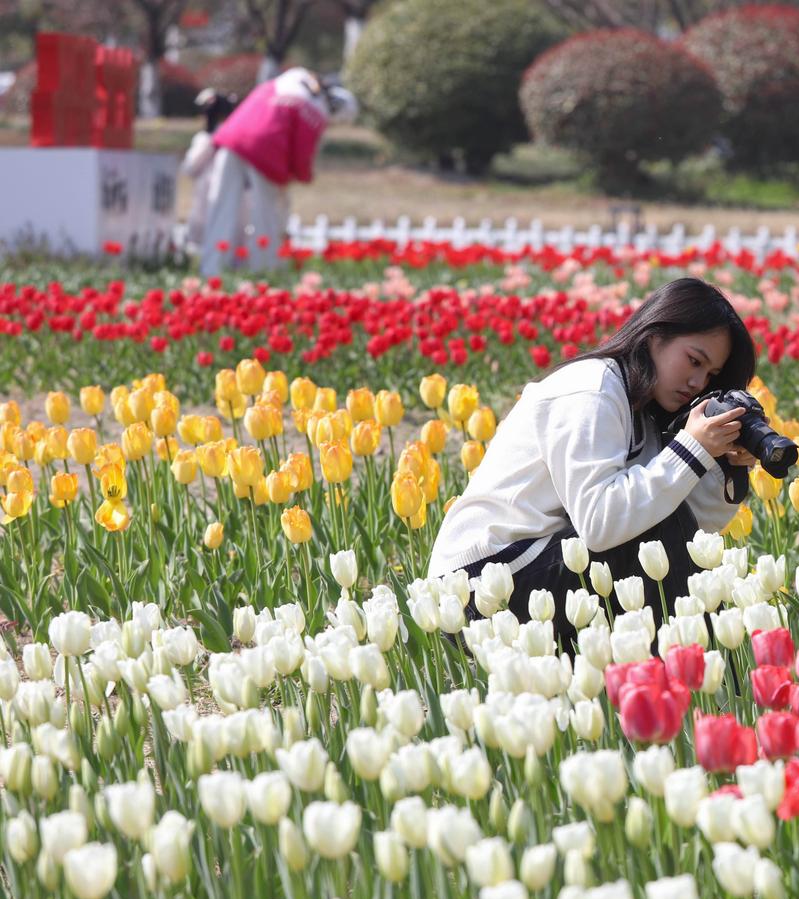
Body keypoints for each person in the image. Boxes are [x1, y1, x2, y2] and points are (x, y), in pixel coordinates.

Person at [427, 277, 759, 635]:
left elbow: (689, 528)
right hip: (476, 586)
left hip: (535, 568)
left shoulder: (644, 411)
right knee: (652, 526)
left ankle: (691, 674)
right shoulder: (592, 390)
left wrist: (723, 467)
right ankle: (710, 677)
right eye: (694, 360)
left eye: (709, 375)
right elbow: (600, 523)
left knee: (658, 523)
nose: (698, 383)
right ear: (653, 335)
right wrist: (690, 451)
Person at [199, 68, 356, 274]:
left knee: (222, 207)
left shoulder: (295, 76)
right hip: (267, 151)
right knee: (266, 216)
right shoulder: (317, 108)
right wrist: (304, 176)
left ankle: (211, 270)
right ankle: (263, 271)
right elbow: (302, 157)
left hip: (233, 136)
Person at [180, 89, 237, 255]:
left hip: (206, 194)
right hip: (230, 196)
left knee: (200, 240)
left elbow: (189, 167)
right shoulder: (234, 137)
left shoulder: (205, 139)